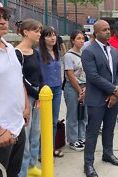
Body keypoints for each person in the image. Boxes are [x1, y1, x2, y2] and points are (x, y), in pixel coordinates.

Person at [0, 1, 29, 177]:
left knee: (13, 175)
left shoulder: (9, 47)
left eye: (5, 17)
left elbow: (18, 79)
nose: (3, 21)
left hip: (17, 129)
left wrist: (25, 107)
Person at [81, 20, 118, 177]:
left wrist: (115, 93)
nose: (108, 31)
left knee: (109, 129)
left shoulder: (113, 50)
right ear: (96, 33)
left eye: (108, 29)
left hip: (113, 99)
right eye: (104, 29)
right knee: (92, 132)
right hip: (96, 99)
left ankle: (108, 154)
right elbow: (93, 76)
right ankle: (88, 164)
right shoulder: (88, 51)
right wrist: (113, 89)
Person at [15, 18, 43, 177]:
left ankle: (33, 165)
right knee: (25, 135)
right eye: (36, 31)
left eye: (40, 31)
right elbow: (21, 79)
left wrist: (42, 92)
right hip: (26, 97)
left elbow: (40, 74)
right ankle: (23, 171)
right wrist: (36, 95)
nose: (39, 34)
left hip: (39, 97)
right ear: (26, 32)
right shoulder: (17, 53)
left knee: (36, 132)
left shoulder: (36, 52)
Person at [37, 26, 64, 158]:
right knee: (42, 122)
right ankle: (41, 151)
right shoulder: (37, 53)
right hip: (43, 92)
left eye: (54, 35)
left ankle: (50, 148)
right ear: (42, 38)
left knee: (53, 121)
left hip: (57, 90)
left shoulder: (57, 51)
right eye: (48, 35)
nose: (53, 38)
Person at [63, 30, 87, 151]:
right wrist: (79, 91)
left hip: (84, 86)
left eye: (82, 38)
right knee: (73, 114)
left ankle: (81, 136)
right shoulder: (68, 55)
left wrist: (85, 89)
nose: (81, 41)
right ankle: (73, 140)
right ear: (73, 40)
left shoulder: (85, 53)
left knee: (83, 113)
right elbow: (71, 75)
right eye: (78, 38)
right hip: (73, 88)